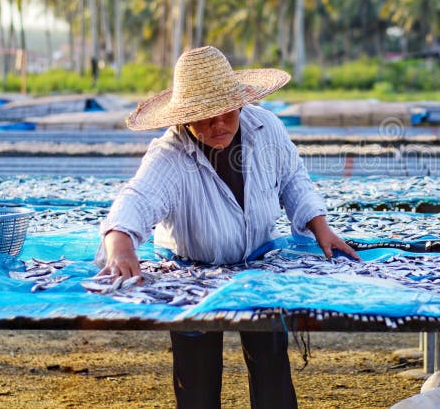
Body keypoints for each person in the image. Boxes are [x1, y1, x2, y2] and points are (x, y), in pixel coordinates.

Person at [96, 45, 359, 409]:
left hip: (261, 263)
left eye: (225, 113)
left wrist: (320, 227)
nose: (218, 125)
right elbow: (138, 197)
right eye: (204, 117)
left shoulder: (266, 128)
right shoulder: (171, 154)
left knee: (270, 363)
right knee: (197, 376)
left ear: (239, 103)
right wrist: (120, 244)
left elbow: (293, 178)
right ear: (185, 118)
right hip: (192, 271)